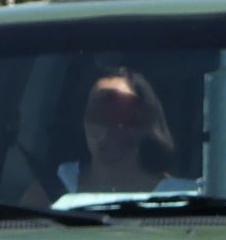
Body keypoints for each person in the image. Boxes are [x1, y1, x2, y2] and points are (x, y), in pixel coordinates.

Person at [26, 68, 178, 207]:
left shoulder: (177, 197)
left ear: (144, 122)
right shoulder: (51, 190)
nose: (106, 127)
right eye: (97, 115)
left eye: (119, 113)